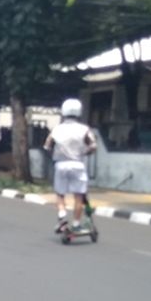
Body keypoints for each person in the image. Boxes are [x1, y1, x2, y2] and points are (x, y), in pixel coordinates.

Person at [44, 98, 98, 233]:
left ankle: (62, 217)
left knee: (60, 194)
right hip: (78, 164)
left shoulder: (57, 129)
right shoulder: (84, 129)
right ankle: (76, 223)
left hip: (61, 164)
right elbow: (93, 145)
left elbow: (47, 146)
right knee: (79, 196)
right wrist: (85, 152)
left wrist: (55, 154)